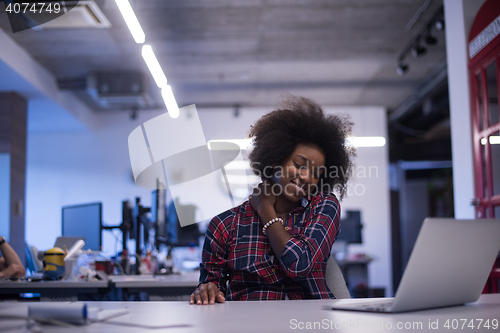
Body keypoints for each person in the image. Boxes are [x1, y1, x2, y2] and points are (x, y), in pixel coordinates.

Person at [190, 95, 355, 305]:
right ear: (276, 159)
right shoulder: (224, 225)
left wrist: (266, 209)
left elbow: (299, 265)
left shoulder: (323, 207)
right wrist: (207, 289)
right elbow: (212, 286)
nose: (306, 176)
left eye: (315, 172)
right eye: (299, 164)